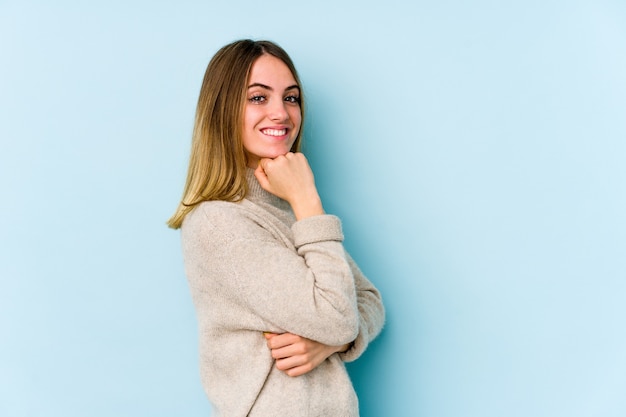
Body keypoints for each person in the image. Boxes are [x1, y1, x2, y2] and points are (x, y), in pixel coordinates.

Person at [167, 39, 385, 417]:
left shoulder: (283, 209)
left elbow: (368, 300)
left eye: (291, 97)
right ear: (223, 110)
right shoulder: (219, 223)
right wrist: (307, 199)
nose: (281, 113)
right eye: (257, 98)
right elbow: (337, 315)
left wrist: (332, 343)